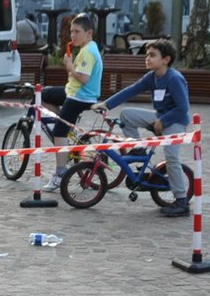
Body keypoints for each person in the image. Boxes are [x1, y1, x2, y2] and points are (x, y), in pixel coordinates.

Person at [100, 37, 192, 218]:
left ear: (166, 60)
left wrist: (163, 121)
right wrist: (106, 104)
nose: (147, 58)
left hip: (175, 122)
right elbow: (130, 90)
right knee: (127, 114)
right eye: (147, 55)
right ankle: (139, 150)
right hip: (159, 118)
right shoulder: (152, 77)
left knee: (172, 158)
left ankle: (182, 201)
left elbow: (183, 107)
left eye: (152, 55)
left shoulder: (174, 78)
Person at [27, 12, 101, 199]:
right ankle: (67, 126)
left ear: (89, 33)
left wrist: (69, 65)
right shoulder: (87, 48)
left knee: (59, 131)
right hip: (72, 92)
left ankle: (60, 173)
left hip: (80, 97)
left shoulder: (88, 52)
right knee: (41, 95)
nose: (72, 36)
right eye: (71, 31)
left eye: (77, 32)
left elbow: (83, 78)